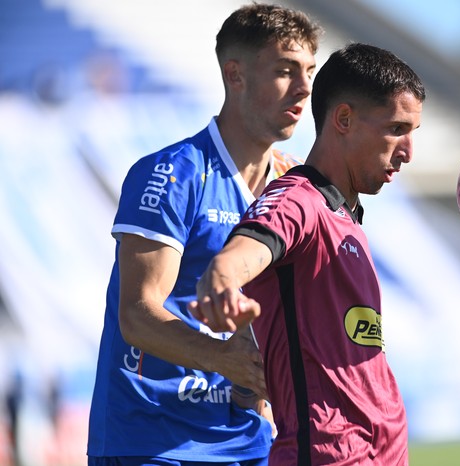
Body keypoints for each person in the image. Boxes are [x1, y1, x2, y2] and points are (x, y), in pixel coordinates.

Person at [87, 4, 321, 465]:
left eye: (309, 71)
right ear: (235, 75)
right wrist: (223, 359)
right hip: (149, 440)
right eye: (284, 70)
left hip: (247, 440)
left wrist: (264, 398)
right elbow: (136, 314)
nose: (304, 87)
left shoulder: (293, 187)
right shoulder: (170, 174)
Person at [189, 43, 426, 465]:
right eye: (396, 129)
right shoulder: (298, 200)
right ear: (345, 119)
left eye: (413, 132)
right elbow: (240, 254)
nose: (408, 150)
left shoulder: (346, 215)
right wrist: (221, 281)